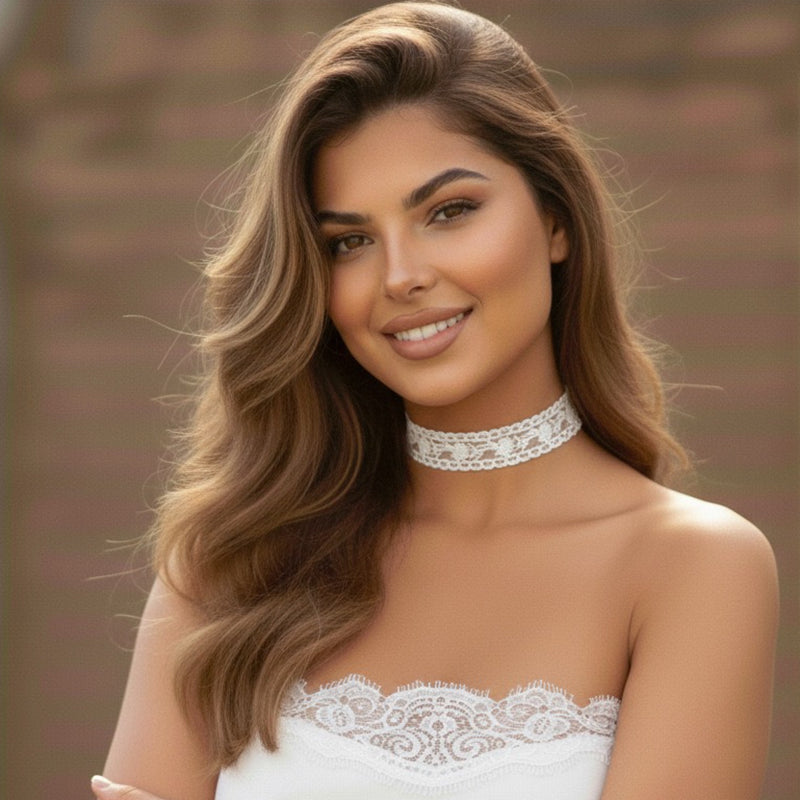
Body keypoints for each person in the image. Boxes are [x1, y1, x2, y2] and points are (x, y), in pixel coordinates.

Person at [90, 2, 779, 799]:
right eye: (349, 241)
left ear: (555, 219)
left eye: (449, 212)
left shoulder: (692, 568)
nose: (400, 276)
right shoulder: (230, 561)